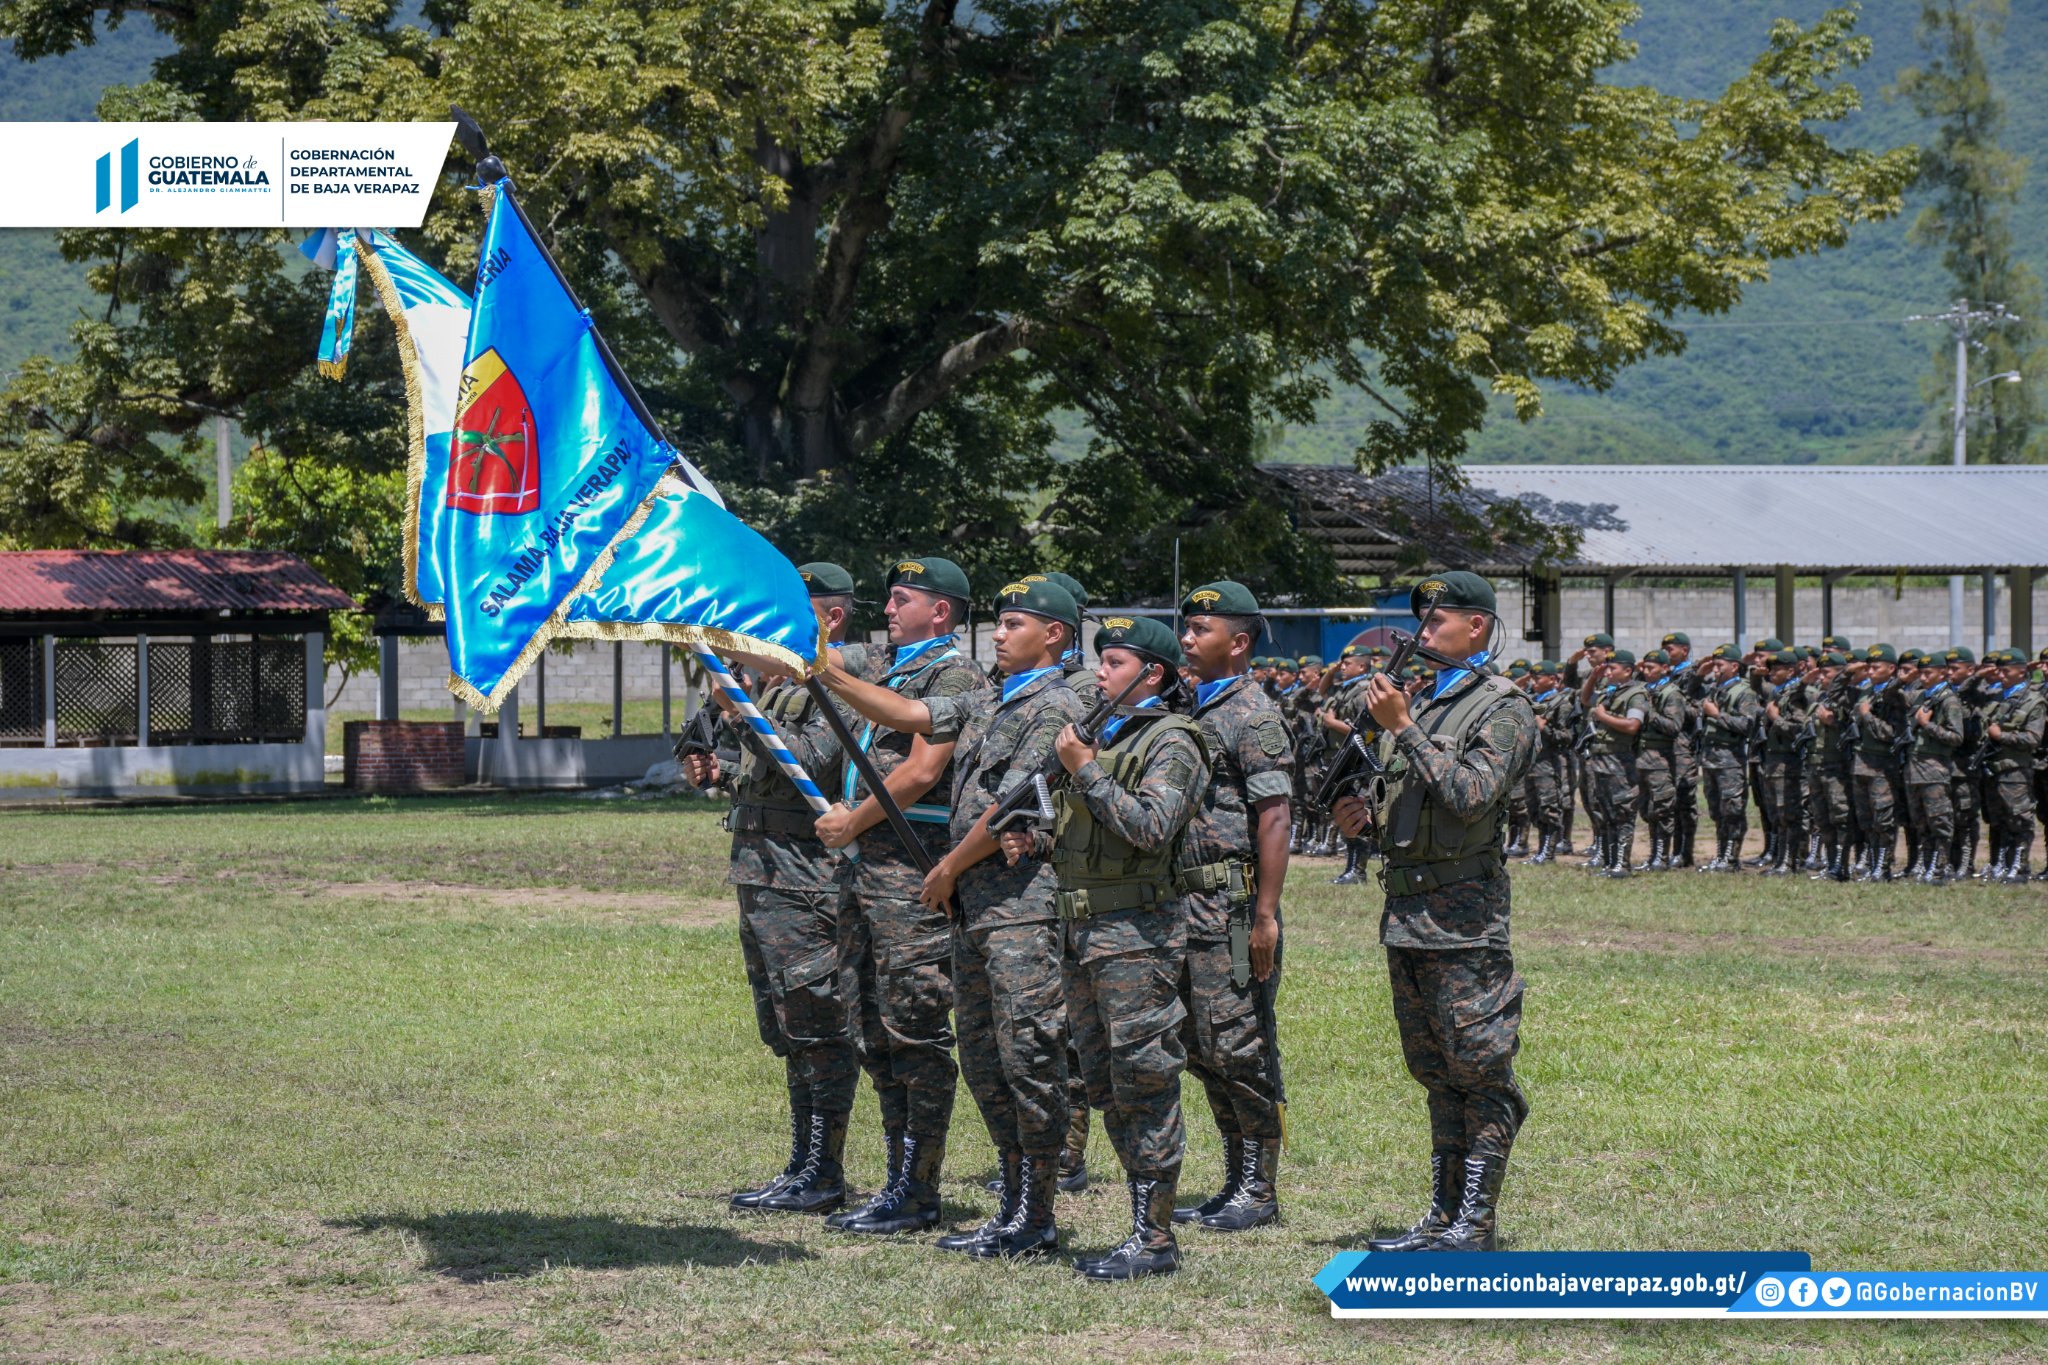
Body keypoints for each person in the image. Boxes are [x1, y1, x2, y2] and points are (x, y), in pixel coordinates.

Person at [819, 579, 1089, 1257]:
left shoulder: (1056, 704)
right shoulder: (988, 697)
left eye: (1015, 622)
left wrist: (947, 867)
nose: (998, 633)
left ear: (1054, 633)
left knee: (1027, 1055)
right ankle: (1011, 1206)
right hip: (976, 905)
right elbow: (907, 710)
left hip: (1018, 904)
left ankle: (1037, 1213)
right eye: (997, 621)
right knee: (985, 1057)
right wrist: (822, 667)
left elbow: (1012, 806)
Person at [995, 615, 1211, 1279]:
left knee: (1144, 1077)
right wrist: (1031, 838)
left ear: (1153, 674)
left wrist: (1084, 772)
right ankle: (1140, 1225)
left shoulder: (1172, 740)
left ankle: (1154, 1237)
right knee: (1107, 1083)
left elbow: (1150, 826)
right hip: (1081, 933)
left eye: (1114, 663)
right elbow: (1080, 831)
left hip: (1137, 938)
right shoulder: (1095, 738)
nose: (1100, 674)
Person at [1330, 571, 1535, 1253]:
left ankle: (1475, 1221)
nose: (1423, 630)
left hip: (1464, 918)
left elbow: (1472, 793)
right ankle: (1445, 1213)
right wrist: (1365, 819)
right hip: (1409, 911)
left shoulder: (1501, 706)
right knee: (1437, 1071)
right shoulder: (1433, 703)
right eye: (1419, 617)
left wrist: (1405, 728)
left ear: (1476, 624)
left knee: (1481, 1068)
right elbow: (1419, 804)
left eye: (1437, 617)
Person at [681, 564, 876, 1215]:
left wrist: (740, 707)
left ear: (830, 618)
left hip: (807, 877)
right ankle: (803, 1161)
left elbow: (811, 763)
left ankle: (825, 1169)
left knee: (819, 1022)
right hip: (762, 872)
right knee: (786, 1025)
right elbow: (759, 767)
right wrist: (720, 757)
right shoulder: (777, 684)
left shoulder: (845, 684)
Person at [814, 557, 983, 1235]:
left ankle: (919, 1186)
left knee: (914, 1028)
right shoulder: (888, 664)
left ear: (939, 611)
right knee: (872, 1029)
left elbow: (921, 769)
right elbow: (810, 656)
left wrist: (849, 823)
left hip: (910, 872)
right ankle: (895, 1177)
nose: (887, 607)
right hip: (865, 874)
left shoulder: (955, 673)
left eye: (901, 598)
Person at [1171, 581, 1293, 1232]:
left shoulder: (1254, 713)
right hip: (1188, 900)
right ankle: (1234, 1176)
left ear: (1238, 642)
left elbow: (1274, 817)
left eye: (1201, 629)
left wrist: (1266, 913)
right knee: (1201, 1044)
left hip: (1234, 902)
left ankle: (1261, 1187)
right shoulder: (1195, 708)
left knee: (1241, 1043)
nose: (1187, 638)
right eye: (1186, 628)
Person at [1580, 648, 1645, 877]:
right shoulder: (1611, 692)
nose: (1607, 670)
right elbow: (1586, 699)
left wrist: (1604, 717)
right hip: (1602, 759)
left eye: (1612, 667)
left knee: (1622, 813)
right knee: (1606, 813)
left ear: (1628, 671)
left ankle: (1621, 864)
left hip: (1620, 761)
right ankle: (1609, 863)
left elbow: (1632, 725)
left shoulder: (1636, 694)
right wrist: (1593, 678)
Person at [1694, 644, 1759, 872]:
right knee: (1716, 811)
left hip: (1730, 758)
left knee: (1732, 810)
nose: (1716, 670)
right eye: (1714, 666)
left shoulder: (1745, 692)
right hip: (1710, 757)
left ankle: (1731, 859)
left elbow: (1747, 725)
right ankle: (1721, 855)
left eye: (1720, 665)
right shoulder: (1714, 689)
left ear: (1734, 666)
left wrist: (1717, 715)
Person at [1902, 650, 1965, 885]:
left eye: (1929, 673)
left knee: (1939, 820)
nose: (1924, 677)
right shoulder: (1922, 697)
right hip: (1914, 767)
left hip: (1934, 769)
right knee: (1921, 822)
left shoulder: (1948, 700)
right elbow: (1893, 695)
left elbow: (1957, 737)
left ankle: (1940, 867)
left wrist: (1927, 726)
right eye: (1922, 673)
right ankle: (1927, 865)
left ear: (1942, 673)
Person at [1983, 651, 2044, 883]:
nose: (2000, 675)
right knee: (1999, 820)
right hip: (1994, 767)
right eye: (1998, 670)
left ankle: (2020, 867)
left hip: (2015, 770)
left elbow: (2032, 739)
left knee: (2019, 819)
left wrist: (2002, 736)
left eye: (2005, 671)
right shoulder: (1996, 695)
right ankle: (2003, 863)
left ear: (2021, 671)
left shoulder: (2033, 701)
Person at [1850, 644, 1906, 881]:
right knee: (1866, 820)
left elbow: (1892, 733)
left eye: (1875, 667)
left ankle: (1883, 867)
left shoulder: (1896, 698)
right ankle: (1872, 864)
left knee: (1884, 820)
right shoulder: (1865, 692)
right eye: (1868, 667)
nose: (1870, 672)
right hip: (1861, 764)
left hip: (1882, 767)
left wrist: (1867, 716)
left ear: (1891, 669)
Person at [1633, 650, 1687, 870]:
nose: (1646, 672)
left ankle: (1661, 857)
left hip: (1661, 760)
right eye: (1644, 667)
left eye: (1651, 668)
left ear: (1665, 668)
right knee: (1647, 810)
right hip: (1642, 758)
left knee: (1662, 809)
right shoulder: (1644, 690)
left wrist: (1649, 713)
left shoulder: (1672, 693)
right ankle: (1653, 854)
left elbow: (1674, 727)